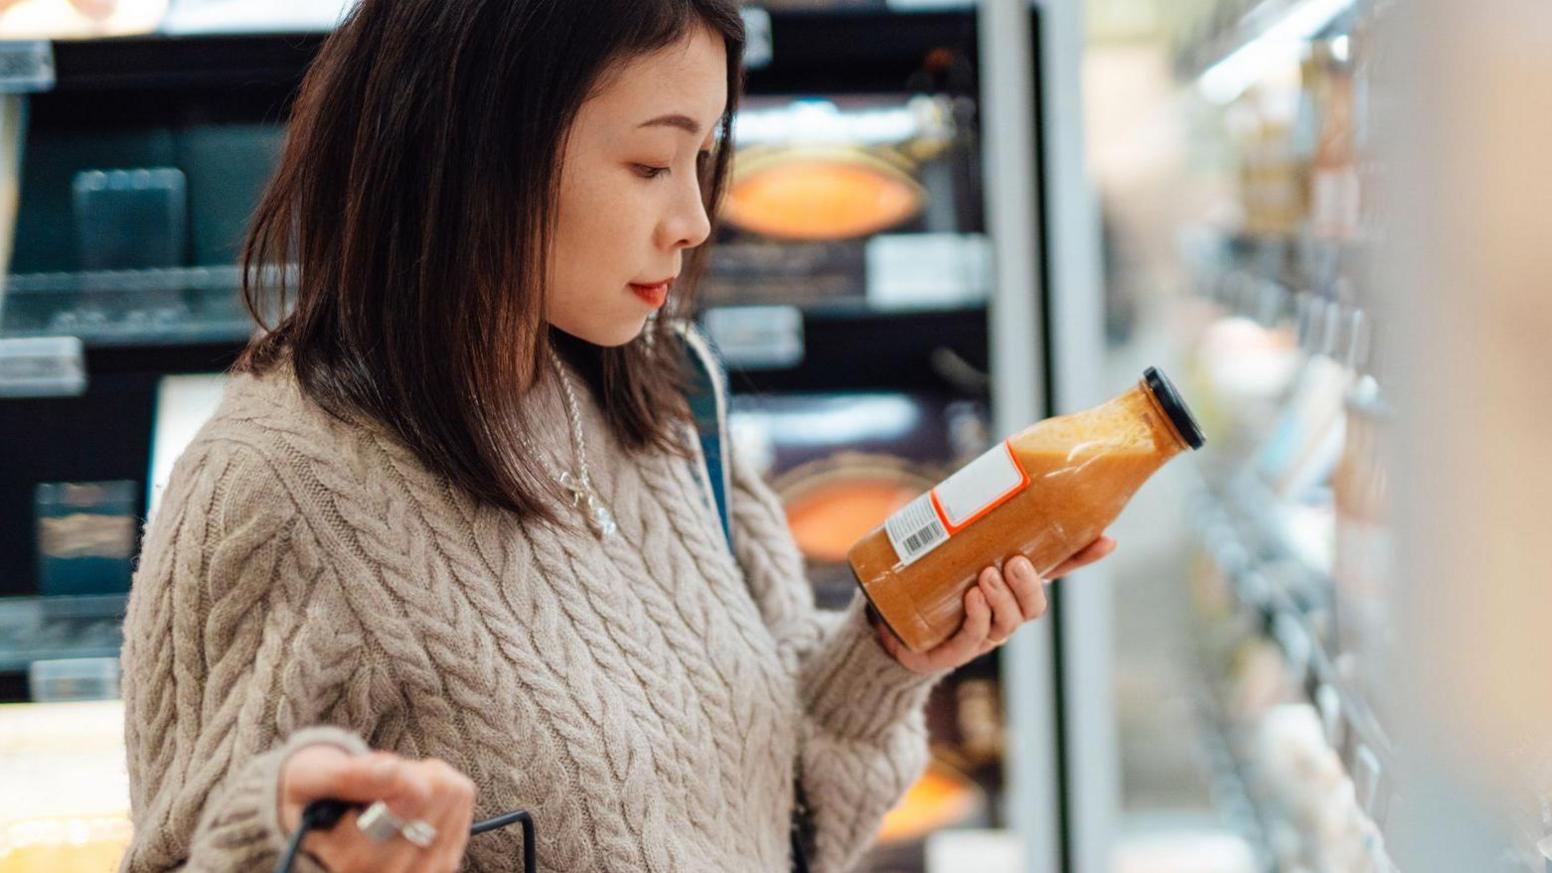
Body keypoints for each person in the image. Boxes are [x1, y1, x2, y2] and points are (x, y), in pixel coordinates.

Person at [117, 1, 1116, 871]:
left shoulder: (669, 396)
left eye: (703, 160)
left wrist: (891, 649)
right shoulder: (270, 488)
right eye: (649, 162)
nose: (692, 218)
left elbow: (783, 824)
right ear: (479, 145)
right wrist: (293, 840)